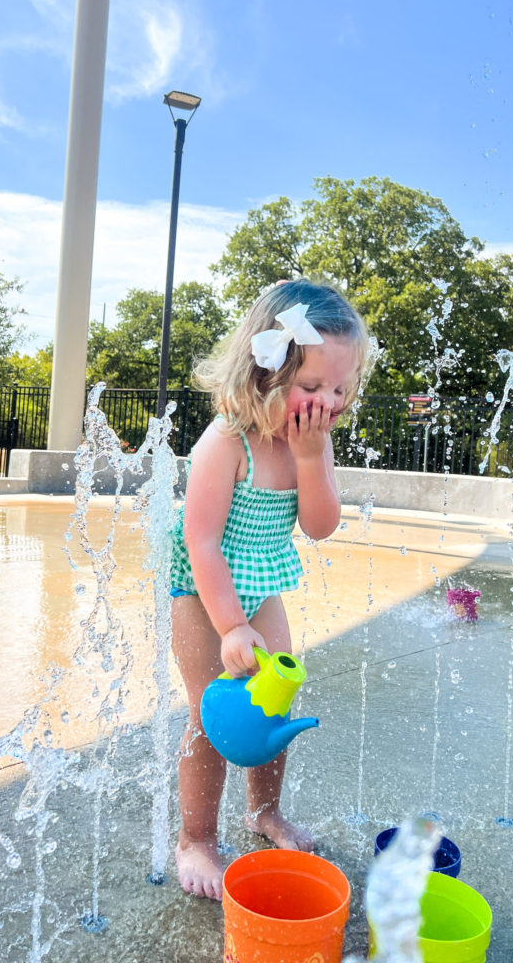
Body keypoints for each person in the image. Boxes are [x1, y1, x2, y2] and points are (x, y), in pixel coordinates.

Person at [170, 279, 370, 900]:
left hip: (263, 582)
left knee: (274, 699)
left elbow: (319, 526)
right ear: (263, 375)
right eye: (311, 387)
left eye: (340, 388)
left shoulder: (311, 443)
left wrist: (312, 460)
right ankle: (196, 837)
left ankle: (264, 812)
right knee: (211, 713)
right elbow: (200, 541)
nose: (328, 402)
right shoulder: (224, 443)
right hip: (205, 590)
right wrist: (231, 625)